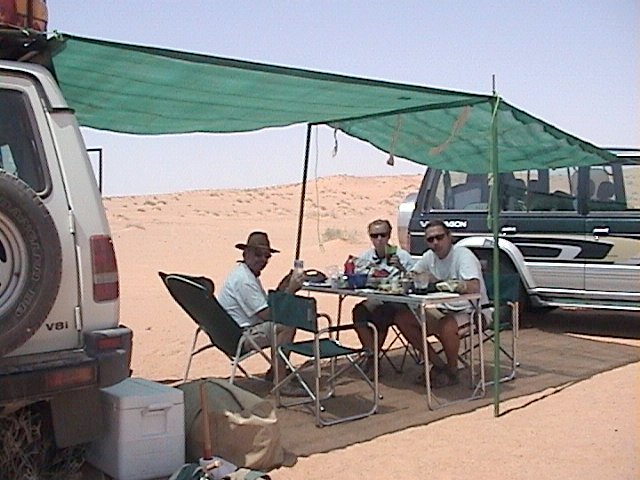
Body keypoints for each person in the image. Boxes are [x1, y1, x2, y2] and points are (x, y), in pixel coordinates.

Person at [394, 219, 488, 388]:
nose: (435, 242)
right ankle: (438, 365)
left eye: (439, 237)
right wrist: (405, 272)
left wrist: (444, 283)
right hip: (443, 308)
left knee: (447, 325)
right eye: (430, 239)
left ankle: (452, 370)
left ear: (449, 237)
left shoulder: (463, 255)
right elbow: (413, 275)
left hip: (473, 311)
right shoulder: (429, 257)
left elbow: (474, 287)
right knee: (403, 318)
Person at [218, 231, 305, 392]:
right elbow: (268, 315)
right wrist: (290, 291)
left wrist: (283, 287)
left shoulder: (246, 274)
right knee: (286, 325)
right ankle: (281, 381)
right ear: (246, 254)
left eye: (267, 256)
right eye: (258, 255)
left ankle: (277, 370)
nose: (263, 260)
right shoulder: (244, 280)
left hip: (235, 331)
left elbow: (265, 306)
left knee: (285, 321)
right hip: (242, 336)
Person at [351, 219, 415, 374]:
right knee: (359, 311)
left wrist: (400, 267)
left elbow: (415, 281)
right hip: (376, 298)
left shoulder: (402, 256)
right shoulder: (366, 256)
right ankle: (372, 353)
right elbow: (357, 275)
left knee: (382, 313)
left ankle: (372, 359)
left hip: (400, 301)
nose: (379, 239)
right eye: (375, 235)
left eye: (383, 235)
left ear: (389, 236)